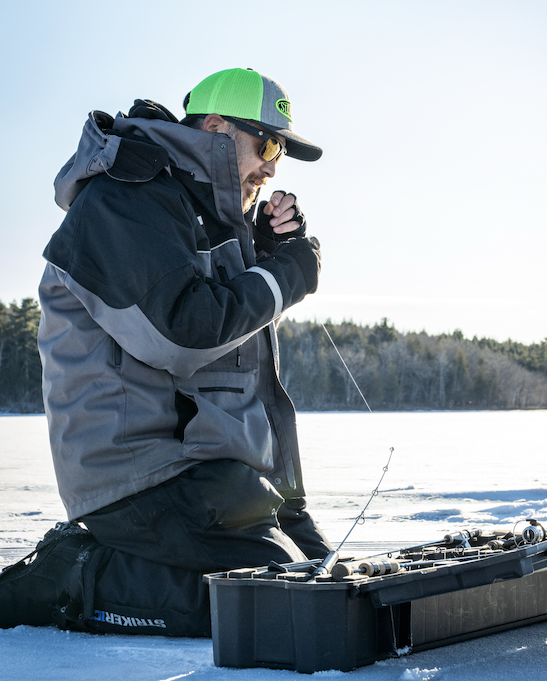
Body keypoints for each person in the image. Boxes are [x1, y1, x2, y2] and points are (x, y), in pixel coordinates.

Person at [0, 68, 332, 636]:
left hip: (211, 470)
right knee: (263, 603)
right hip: (136, 473)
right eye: (269, 144)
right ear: (216, 128)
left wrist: (269, 253)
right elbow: (183, 333)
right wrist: (284, 276)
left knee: (323, 579)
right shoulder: (125, 199)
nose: (274, 165)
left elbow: (234, 349)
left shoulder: (201, 215)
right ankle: (72, 575)